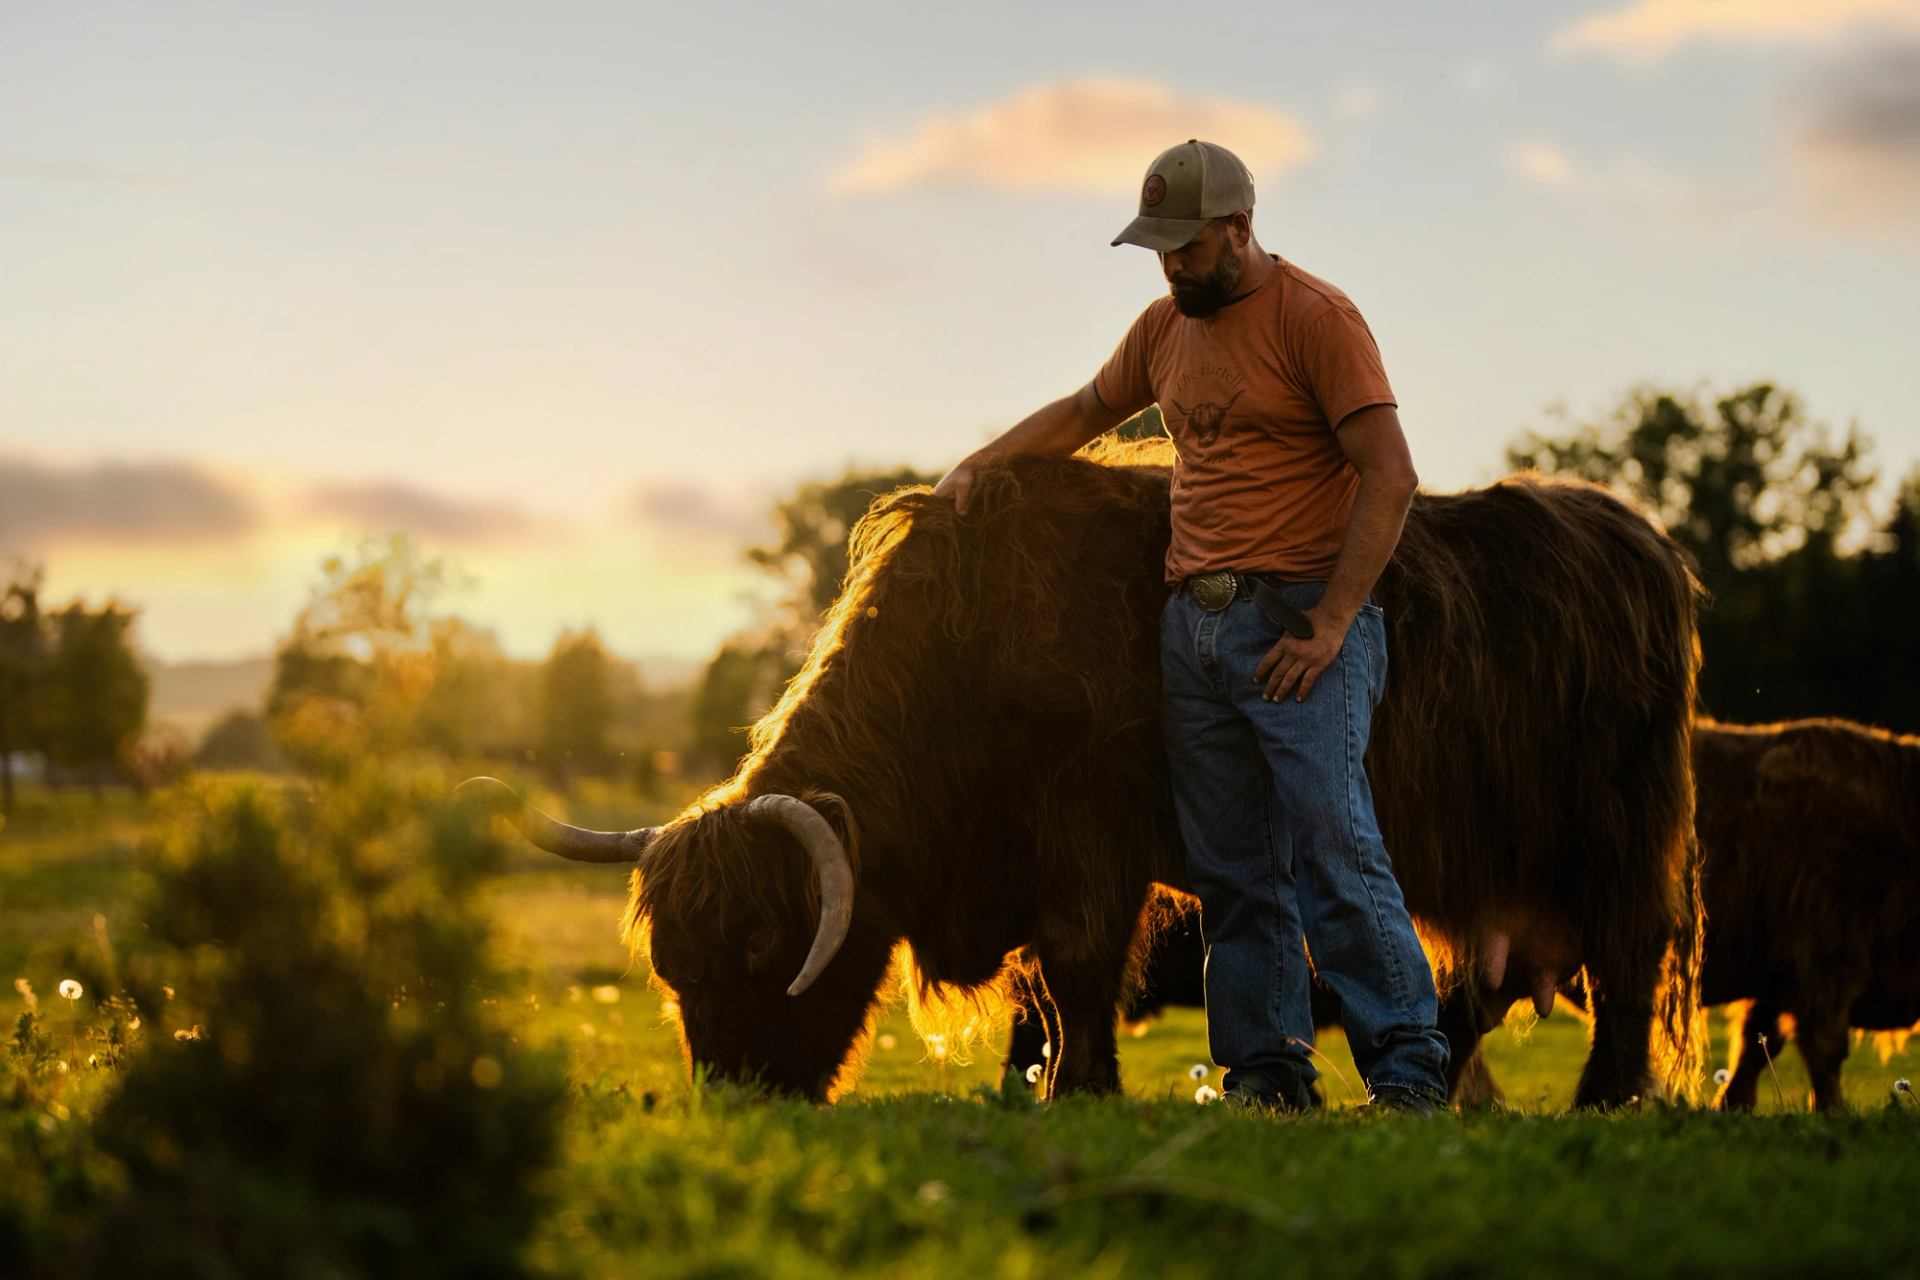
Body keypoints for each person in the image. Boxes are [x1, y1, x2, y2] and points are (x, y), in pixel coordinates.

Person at [935, 139, 1449, 1114]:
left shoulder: (1317, 319)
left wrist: (1334, 621)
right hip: (1196, 633)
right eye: (1158, 247)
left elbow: (1391, 472)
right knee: (1232, 870)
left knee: (1334, 845)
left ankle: (1412, 1070)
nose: (1171, 263)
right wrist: (980, 462)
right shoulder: (1163, 328)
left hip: (1299, 622)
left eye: (1187, 244)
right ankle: (1268, 1073)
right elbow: (1087, 408)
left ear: (1240, 229)